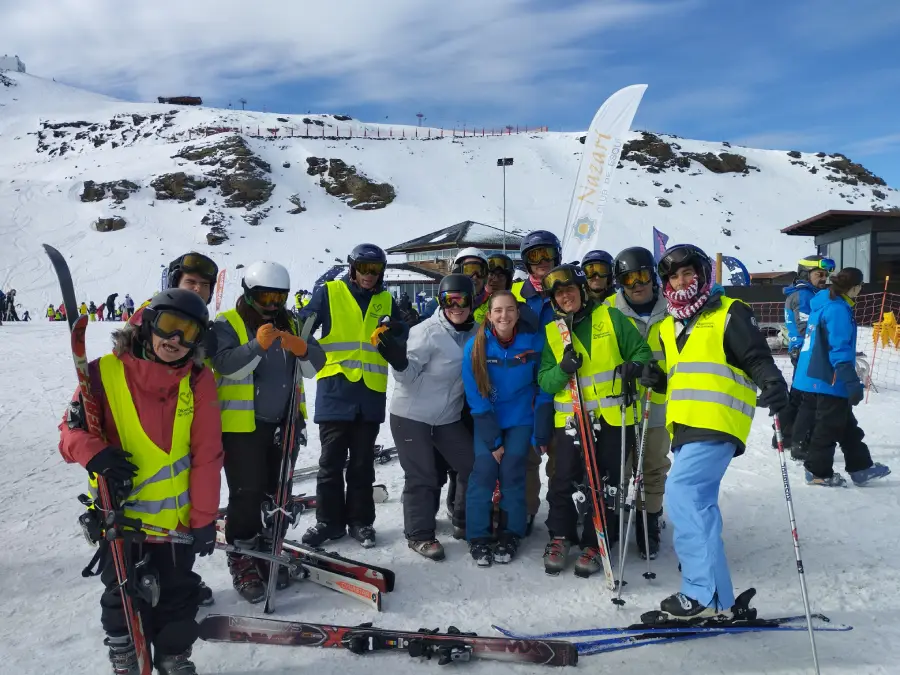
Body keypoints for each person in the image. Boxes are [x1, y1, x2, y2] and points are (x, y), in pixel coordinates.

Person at [57, 289, 223, 674]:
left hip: (176, 522)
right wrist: (92, 451)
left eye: (188, 332)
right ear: (148, 324)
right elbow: (68, 433)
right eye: (168, 327)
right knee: (122, 597)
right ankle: (126, 655)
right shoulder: (102, 373)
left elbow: (207, 456)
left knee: (178, 596)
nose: (175, 341)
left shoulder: (198, 381)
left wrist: (203, 519)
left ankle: (173, 655)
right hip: (120, 518)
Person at [648, 244, 789, 619]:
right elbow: (684, 378)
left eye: (688, 272)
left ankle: (702, 593)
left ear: (703, 274)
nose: (682, 280)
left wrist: (772, 382)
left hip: (718, 422)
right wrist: (656, 379)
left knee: (682, 494)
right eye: (674, 276)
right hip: (687, 426)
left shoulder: (729, 313)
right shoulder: (669, 325)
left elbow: (755, 356)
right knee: (700, 505)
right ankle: (718, 597)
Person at [211, 261, 324, 603]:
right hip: (242, 426)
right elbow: (226, 365)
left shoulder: (291, 322)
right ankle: (242, 554)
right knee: (247, 493)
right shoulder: (228, 323)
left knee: (278, 492)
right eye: (266, 297)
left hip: (284, 423)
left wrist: (302, 348)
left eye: (280, 297)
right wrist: (257, 345)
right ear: (249, 293)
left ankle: (268, 544)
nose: (273, 305)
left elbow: (314, 365)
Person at [537, 264, 652, 576]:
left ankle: (595, 541)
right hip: (572, 421)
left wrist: (634, 367)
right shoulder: (551, 333)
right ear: (554, 300)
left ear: (581, 291)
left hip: (614, 419)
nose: (566, 297)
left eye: (570, 290)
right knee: (563, 480)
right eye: (559, 294)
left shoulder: (611, 318)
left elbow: (642, 354)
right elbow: (546, 382)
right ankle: (560, 536)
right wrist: (562, 368)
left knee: (607, 484)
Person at [299, 243, 409, 549]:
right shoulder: (329, 292)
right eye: (363, 269)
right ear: (352, 267)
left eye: (375, 270)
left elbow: (401, 336)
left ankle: (361, 522)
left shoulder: (387, 299)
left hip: (369, 394)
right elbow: (304, 328)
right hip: (336, 390)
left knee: (363, 464)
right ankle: (328, 522)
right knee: (330, 463)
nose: (369, 276)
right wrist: (310, 350)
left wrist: (397, 328)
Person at [390, 274, 478, 560]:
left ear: (471, 301)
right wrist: (399, 361)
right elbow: (407, 376)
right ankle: (419, 534)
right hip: (411, 415)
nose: (456, 306)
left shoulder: (477, 332)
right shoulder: (427, 331)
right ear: (440, 302)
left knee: (473, 465)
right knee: (423, 473)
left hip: (448, 416)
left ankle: (465, 520)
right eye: (448, 300)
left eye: (462, 300)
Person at [463, 290, 553, 566]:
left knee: (513, 470)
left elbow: (544, 387)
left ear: (518, 313)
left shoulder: (533, 342)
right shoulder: (476, 346)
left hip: (520, 418)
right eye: (498, 310)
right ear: (489, 315)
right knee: (485, 471)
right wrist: (492, 441)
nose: (504, 315)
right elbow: (475, 397)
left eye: (510, 309)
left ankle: (511, 532)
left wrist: (542, 429)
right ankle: (477, 536)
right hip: (488, 419)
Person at [792, 267, 891, 487]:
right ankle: (818, 472)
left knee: (847, 425)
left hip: (813, 376)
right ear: (854, 287)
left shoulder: (823, 303)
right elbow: (839, 349)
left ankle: (860, 467)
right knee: (827, 428)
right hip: (828, 378)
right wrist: (850, 380)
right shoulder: (837, 310)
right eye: (860, 286)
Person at [606, 246, 672, 559]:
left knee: (653, 468)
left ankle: (649, 521)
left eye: (642, 275)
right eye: (628, 279)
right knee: (619, 468)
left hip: (658, 404)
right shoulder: (607, 310)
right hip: (621, 403)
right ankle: (616, 517)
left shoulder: (674, 309)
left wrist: (663, 377)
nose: (637, 284)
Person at [512, 230, 562, 531]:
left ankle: (561, 511)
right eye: (534, 256)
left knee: (562, 457)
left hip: (563, 382)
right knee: (525, 456)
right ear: (526, 262)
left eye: (547, 254)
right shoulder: (517, 296)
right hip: (523, 386)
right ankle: (527, 509)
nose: (542, 262)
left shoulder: (567, 289)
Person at [780, 255, 834, 460]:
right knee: (808, 400)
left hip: (801, 351)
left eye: (826, 275)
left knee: (797, 396)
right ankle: (799, 442)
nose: (823, 278)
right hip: (807, 352)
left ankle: (784, 437)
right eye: (819, 274)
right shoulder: (804, 295)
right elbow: (805, 327)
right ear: (805, 274)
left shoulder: (806, 293)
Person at [452, 247, 490, 315]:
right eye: (469, 270)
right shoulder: (443, 302)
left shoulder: (494, 304)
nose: (475, 277)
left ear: (485, 276)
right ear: (458, 274)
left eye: (480, 271)